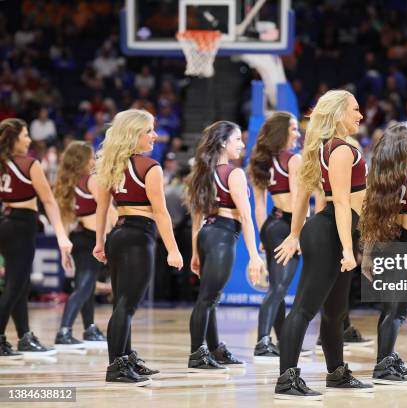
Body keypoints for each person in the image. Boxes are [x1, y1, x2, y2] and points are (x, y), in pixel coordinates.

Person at [274, 90, 373, 400]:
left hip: (329, 230)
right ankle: (287, 379)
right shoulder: (342, 149)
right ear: (338, 113)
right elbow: (342, 203)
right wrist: (347, 248)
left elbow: (301, 198)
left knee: (335, 311)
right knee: (305, 308)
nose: (360, 115)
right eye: (355, 109)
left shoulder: (317, 149)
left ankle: (337, 373)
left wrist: (294, 233)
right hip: (332, 231)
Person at [93, 109, 183, 386]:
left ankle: (126, 358)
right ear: (134, 134)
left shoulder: (110, 164)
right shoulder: (150, 167)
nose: (155, 135)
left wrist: (99, 242)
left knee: (122, 302)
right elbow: (161, 212)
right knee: (127, 305)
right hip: (138, 235)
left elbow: (102, 208)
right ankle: (117, 366)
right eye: (149, 131)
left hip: (117, 234)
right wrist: (173, 249)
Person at [359, 122, 407, 384]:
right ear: (406, 144)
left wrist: (368, 254)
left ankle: (387, 359)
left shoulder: (381, 176)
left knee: (388, 309)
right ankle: (383, 369)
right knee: (397, 312)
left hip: (384, 245)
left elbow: (370, 217)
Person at [185, 121, 264, 370]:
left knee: (210, 298)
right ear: (222, 142)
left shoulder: (202, 173)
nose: (242, 144)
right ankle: (198, 354)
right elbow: (245, 217)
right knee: (207, 299)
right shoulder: (234, 173)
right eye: (237, 139)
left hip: (207, 235)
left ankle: (215, 349)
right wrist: (254, 255)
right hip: (222, 235)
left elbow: (196, 219)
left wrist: (195, 252)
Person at [0, 118, 73, 359]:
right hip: (22, 225)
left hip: (5, 222)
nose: (29, 140)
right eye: (25, 135)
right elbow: (49, 202)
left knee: (18, 285)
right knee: (15, 286)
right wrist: (62, 235)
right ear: (14, 139)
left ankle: (25, 337)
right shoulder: (30, 164)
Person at [248, 112, 302, 361]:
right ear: (281, 131)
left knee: (277, 287)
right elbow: (301, 203)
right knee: (279, 287)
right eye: (293, 129)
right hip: (289, 226)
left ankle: (280, 342)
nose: (298, 133)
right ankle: (263, 341)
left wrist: (262, 234)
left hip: (272, 224)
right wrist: (297, 234)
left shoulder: (260, 162)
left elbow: (259, 206)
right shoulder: (293, 160)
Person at [54, 141, 113, 349]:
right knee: (84, 287)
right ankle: (64, 332)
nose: (93, 160)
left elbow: (63, 219)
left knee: (85, 287)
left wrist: (65, 247)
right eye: (91, 157)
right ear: (82, 160)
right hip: (91, 239)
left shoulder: (67, 184)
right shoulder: (91, 180)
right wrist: (115, 231)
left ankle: (90, 328)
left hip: (79, 238)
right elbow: (108, 212)